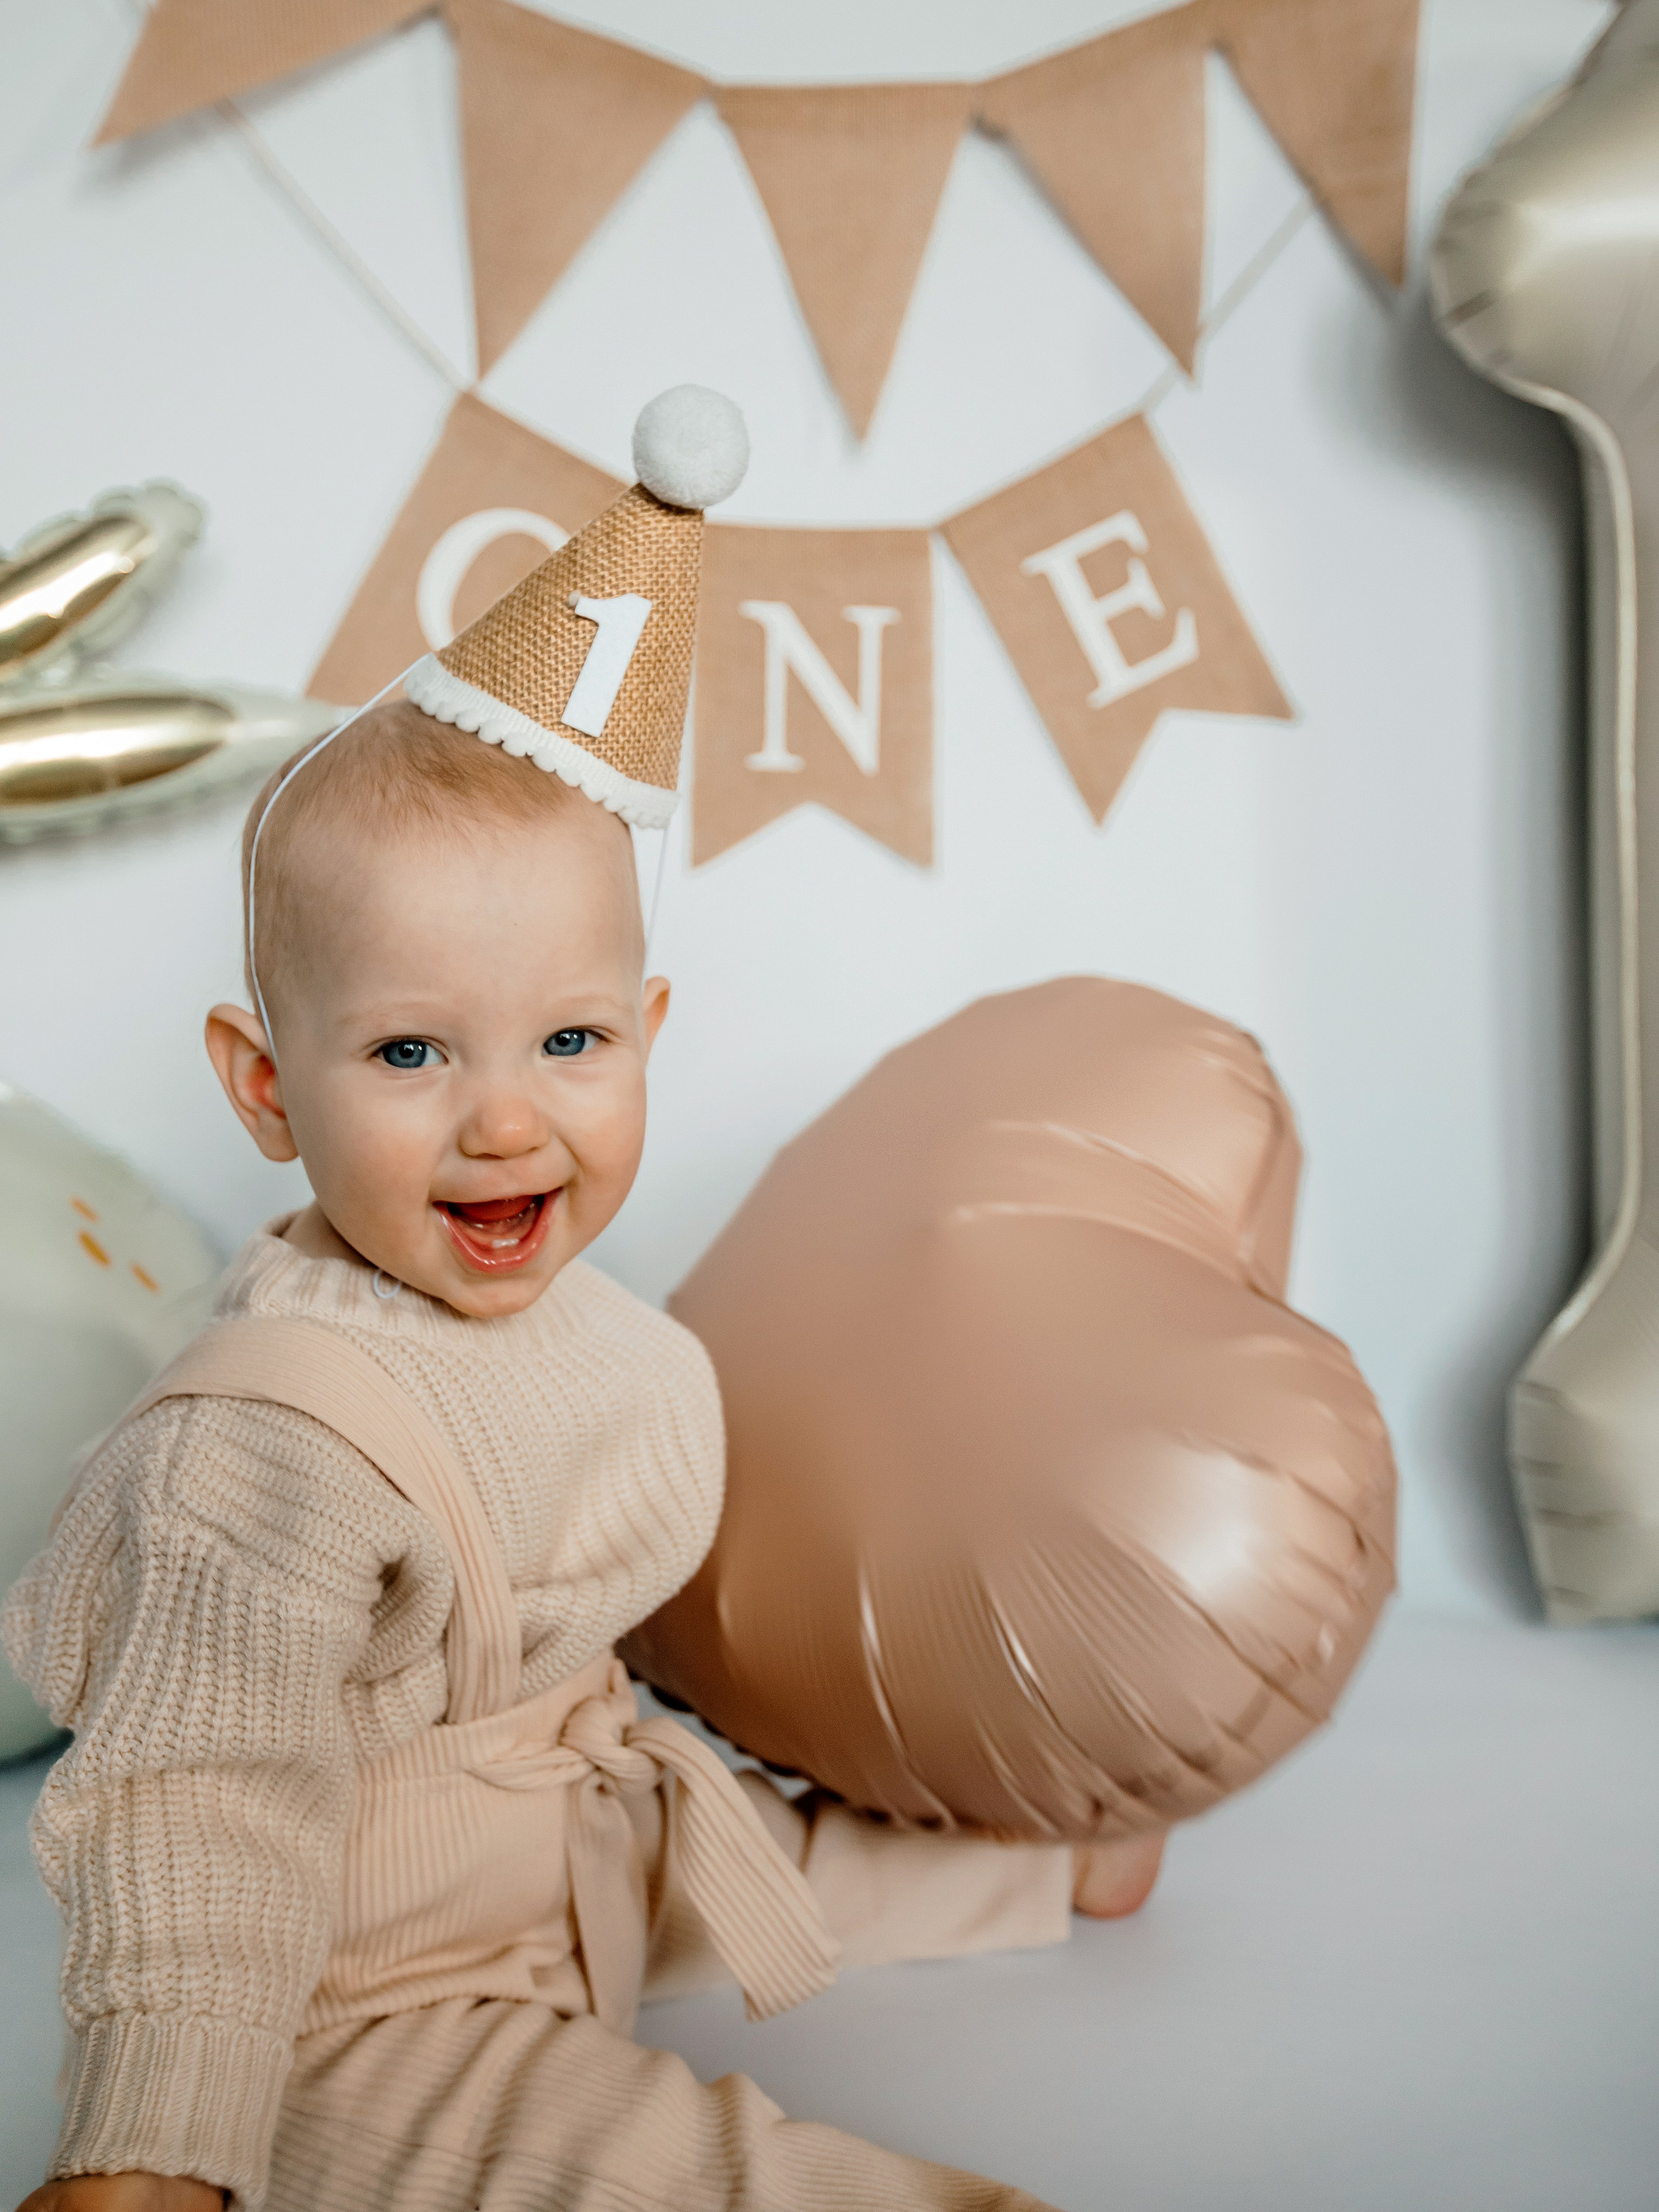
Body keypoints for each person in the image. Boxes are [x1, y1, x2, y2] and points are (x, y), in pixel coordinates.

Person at [5, 390, 1163, 2212]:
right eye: (408, 1050)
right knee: (680, 2169)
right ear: (263, 1088)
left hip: (561, 1846)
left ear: (650, 1037)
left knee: (741, 1839)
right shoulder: (257, 1458)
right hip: (353, 1997)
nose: (506, 1116)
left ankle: (1031, 1875)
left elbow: (602, 1715)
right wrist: (149, 2157)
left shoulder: (577, 1324)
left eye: (569, 1038)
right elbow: (195, 1804)